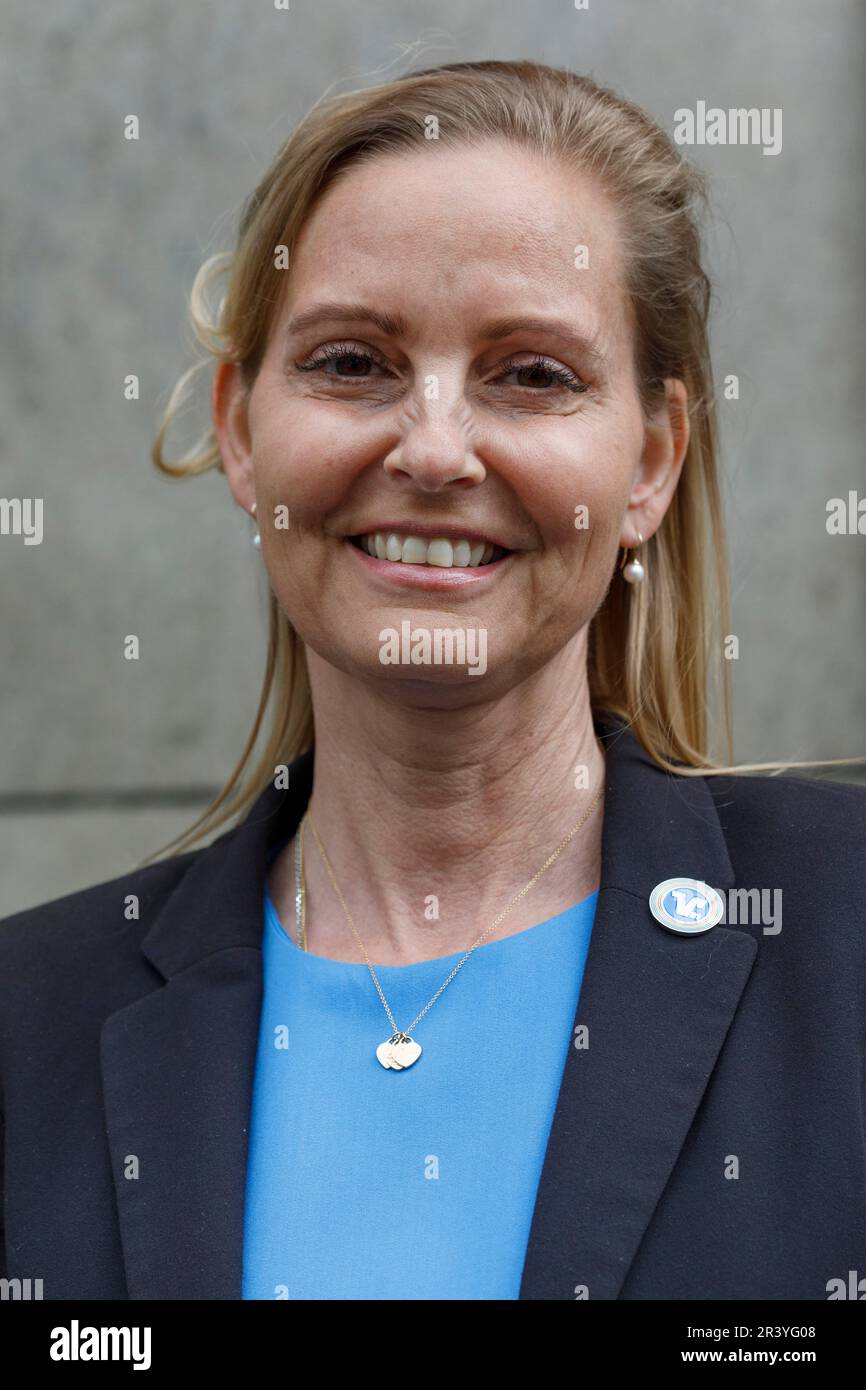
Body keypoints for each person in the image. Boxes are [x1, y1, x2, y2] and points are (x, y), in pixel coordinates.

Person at [1, 60, 864, 1302]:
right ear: (242, 430)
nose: (434, 448)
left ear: (651, 462)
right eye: (352, 361)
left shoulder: (835, 940)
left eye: (531, 374)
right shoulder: (29, 1022)